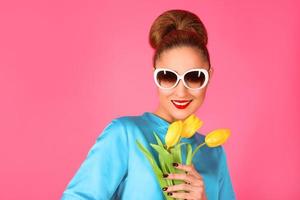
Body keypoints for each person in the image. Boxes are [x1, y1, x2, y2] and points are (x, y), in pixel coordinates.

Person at [61, 9, 236, 200]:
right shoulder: (125, 134)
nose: (181, 91)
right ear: (156, 76)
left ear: (209, 77)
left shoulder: (214, 153)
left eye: (194, 77)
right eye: (168, 77)